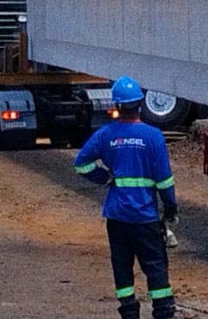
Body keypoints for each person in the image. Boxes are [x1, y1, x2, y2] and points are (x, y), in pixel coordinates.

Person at [73, 76, 178, 319]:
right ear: (139, 104)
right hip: (145, 216)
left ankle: (129, 313)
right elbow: (164, 180)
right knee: (155, 269)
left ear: (117, 106)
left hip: (117, 215)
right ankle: (163, 313)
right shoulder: (153, 136)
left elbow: (81, 164)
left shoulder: (106, 134)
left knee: (122, 269)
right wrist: (171, 208)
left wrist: (103, 176)